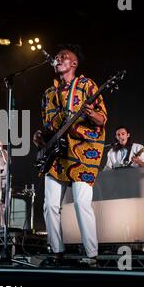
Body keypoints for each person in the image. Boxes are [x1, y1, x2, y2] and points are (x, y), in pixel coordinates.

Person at [33, 44, 107, 267]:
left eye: (63, 56)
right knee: (49, 206)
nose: (58, 59)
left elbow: (102, 119)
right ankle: (56, 252)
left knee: (81, 203)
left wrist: (90, 113)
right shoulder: (48, 94)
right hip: (56, 154)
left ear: (73, 63)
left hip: (83, 151)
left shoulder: (87, 85)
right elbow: (48, 126)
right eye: (56, 57)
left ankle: (91, 255)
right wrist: (39, 135)